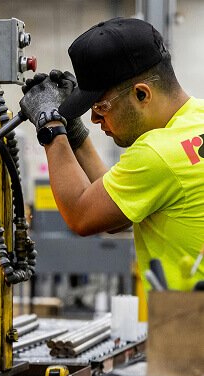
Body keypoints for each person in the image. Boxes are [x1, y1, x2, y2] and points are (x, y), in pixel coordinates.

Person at [19, 17, 204, 291]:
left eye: (101, 107)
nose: (95, 119)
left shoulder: (157, 152)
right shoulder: (194, 123)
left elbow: (81, 215)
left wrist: (50, 126)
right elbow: (114, 211)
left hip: (188, 315)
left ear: (141, 95)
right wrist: (75, 133)